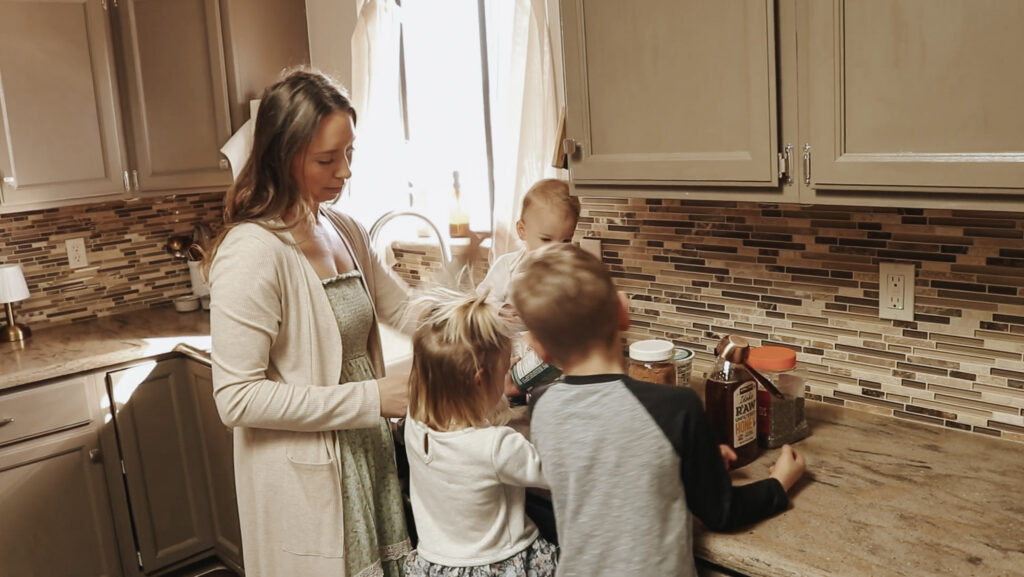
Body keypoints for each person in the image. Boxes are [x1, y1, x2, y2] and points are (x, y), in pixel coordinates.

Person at [206, 68, 413, 577]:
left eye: (349, 153)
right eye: (327, 158)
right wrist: (373, 397)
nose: (344, 171)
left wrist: (487, 314)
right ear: (284, 154)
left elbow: (406, 309)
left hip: (366, 455)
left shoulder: (343, 228)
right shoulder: (254, 251)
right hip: (308, 478)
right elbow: (236, 397)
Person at [510, 243, 806, 577]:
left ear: (541, 351)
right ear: (622, 310)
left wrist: (685, 456)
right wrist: (780, 483)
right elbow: (723, 512)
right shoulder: (674, 408)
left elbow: (604, 461)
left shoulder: (541, 406)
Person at [401, 289, 557, 577]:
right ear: (479, 380)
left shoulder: (415, 418)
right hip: (498, 562)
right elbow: (559, 473)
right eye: (503, 373)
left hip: (437, 563)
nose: (508, 374)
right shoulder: (496, 446)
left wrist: (501, 391)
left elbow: (472, 416)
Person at [476, 178, 580, 307]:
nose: (555, 250)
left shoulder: (572, 273)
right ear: (522, 230)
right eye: (546, 239)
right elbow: (482, 302)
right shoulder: (506, 266)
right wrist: (501, 309)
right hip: (507, 326)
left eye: (566, 241)